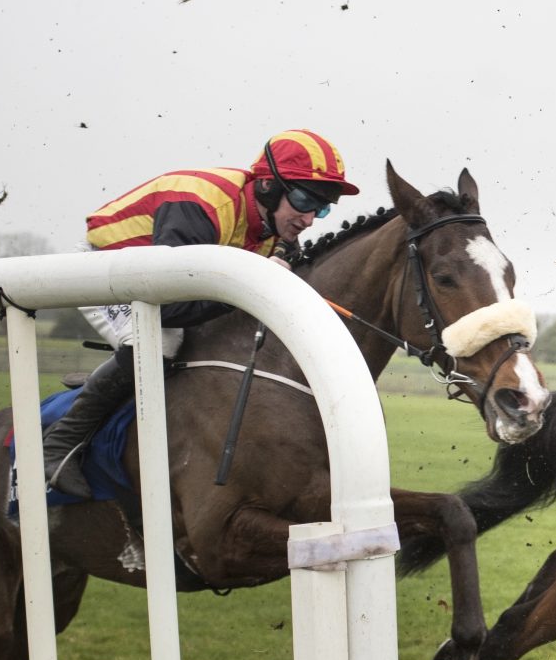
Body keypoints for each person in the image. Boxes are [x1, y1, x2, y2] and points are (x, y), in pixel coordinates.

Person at [40, 129, 357, 499]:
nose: (309, 219)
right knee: (162, 339)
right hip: (108, 267)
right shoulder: (199, 207)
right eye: (304, 200)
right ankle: (59, 444)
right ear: (269, 186)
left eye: (323, 207)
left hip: (162, 276)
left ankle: (122, 381)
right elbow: (172, 307)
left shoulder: (278, 229)